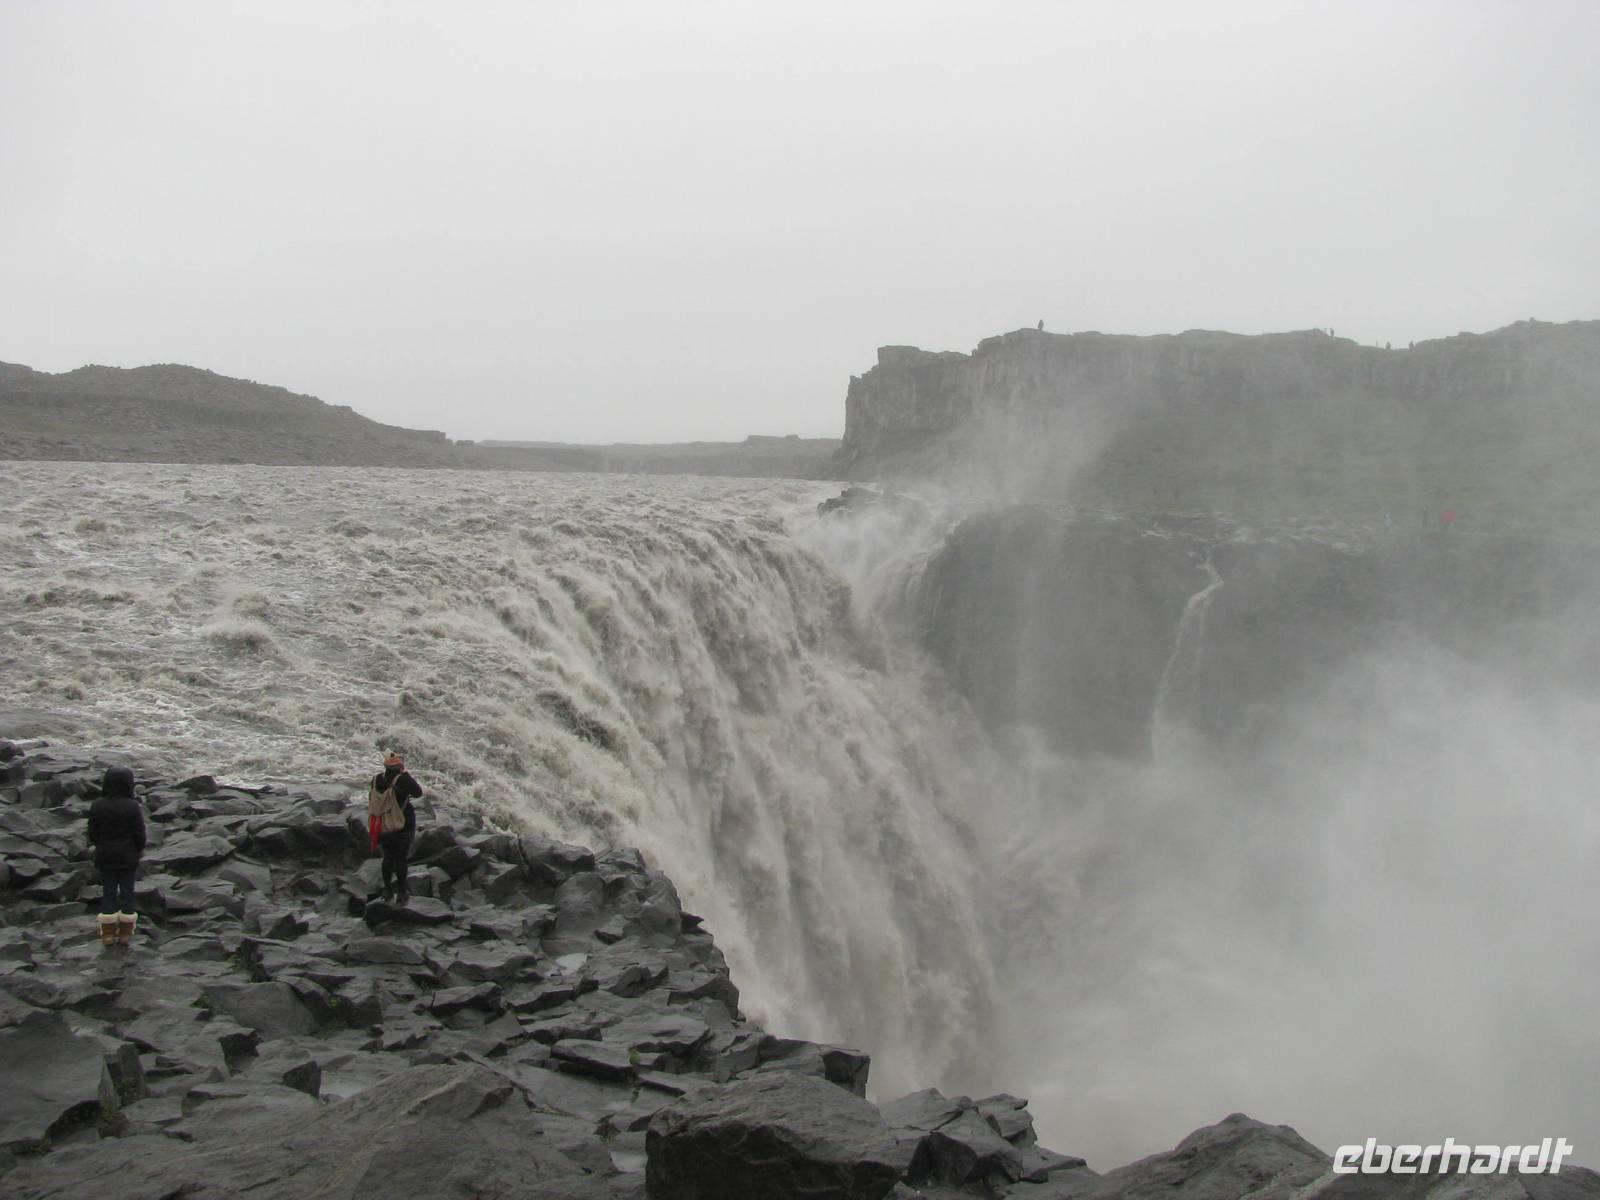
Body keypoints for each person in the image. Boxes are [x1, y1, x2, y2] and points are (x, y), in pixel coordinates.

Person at [87, 765, 145, 947]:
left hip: (105, 855)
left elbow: (92, 832)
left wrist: (100, 845)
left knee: (108, 893)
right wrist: (138, 849)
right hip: (128, 856)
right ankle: (126, 934)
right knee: (127, 893)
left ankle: (108, 934)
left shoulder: (98, 805)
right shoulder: (132, 806)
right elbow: (139, 833)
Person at [370, 752, 421, 904]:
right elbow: (418, 793)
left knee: (388, 857)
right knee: (401, 859)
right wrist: (406, 776)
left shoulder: (376, 779)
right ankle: (402, 892)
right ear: (400, 767)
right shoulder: (404, 779)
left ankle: (387, 889)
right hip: (403, 823)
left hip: (384, 823)